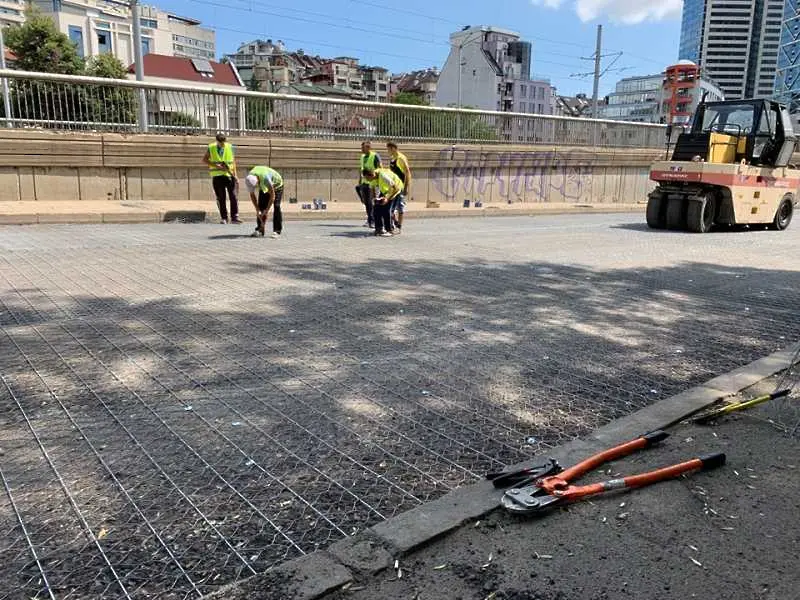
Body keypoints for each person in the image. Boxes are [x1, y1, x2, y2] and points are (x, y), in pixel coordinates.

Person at [203, 133, 241, 224]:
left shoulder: (229, 147)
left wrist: (236, 175)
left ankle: (234, 217)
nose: (223, 144)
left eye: (224, 142)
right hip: (217, 176)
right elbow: (205, 160)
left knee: (233, 196)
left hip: (229, 175)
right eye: (221, 143)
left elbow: (233, 162)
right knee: (221, 197)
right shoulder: (211, 147)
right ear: (217, 141)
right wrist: (217, 166)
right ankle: (224, 217)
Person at [362, 167, 404, 237]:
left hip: (396, 190)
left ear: (371, 175)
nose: (367, 180)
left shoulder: (383, 176)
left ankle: (390, 230)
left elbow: (396, 188)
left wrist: (387, 198)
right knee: (376, 208)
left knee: (386, 210)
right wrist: (375, 199)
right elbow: (372, 188)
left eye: (367, 178)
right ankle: (379, 229)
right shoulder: (372, 176)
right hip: (386, 190)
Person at [245, 166, 284, 238]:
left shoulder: (266, 179)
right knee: (260, 206)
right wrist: (257, 209)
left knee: (276, 206)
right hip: (263, 184)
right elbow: (252, 195)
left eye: (256, 186)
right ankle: (260, 230)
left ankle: (277, 231)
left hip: (277, 185)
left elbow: (272, 196)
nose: (255, 188)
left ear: (258, 180)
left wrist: (266, 211)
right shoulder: (250, 177)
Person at [387, 142, 412, 233]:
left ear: (393, 148)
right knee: (390, 207)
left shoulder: (401, 158)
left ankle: (399, 226)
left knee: (400, 206)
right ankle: (394, 223)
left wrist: (406, 187)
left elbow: (407, 173)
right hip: (393, 186)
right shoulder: (392, 159)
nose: (388, 151)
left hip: (400, 187)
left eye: (389, 149)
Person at [356, 141, 381, 228]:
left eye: (363, 148)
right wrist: (359, 180)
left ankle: (373, 220)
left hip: (372, 182)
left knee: (371, 202)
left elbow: (380, 167)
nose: (361, 149)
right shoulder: (362, 157)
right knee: (366, 202)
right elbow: (361, 169)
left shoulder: (375, 156)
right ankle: (369, 219)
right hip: (364, 182)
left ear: (368, 148)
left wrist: (376, 178)